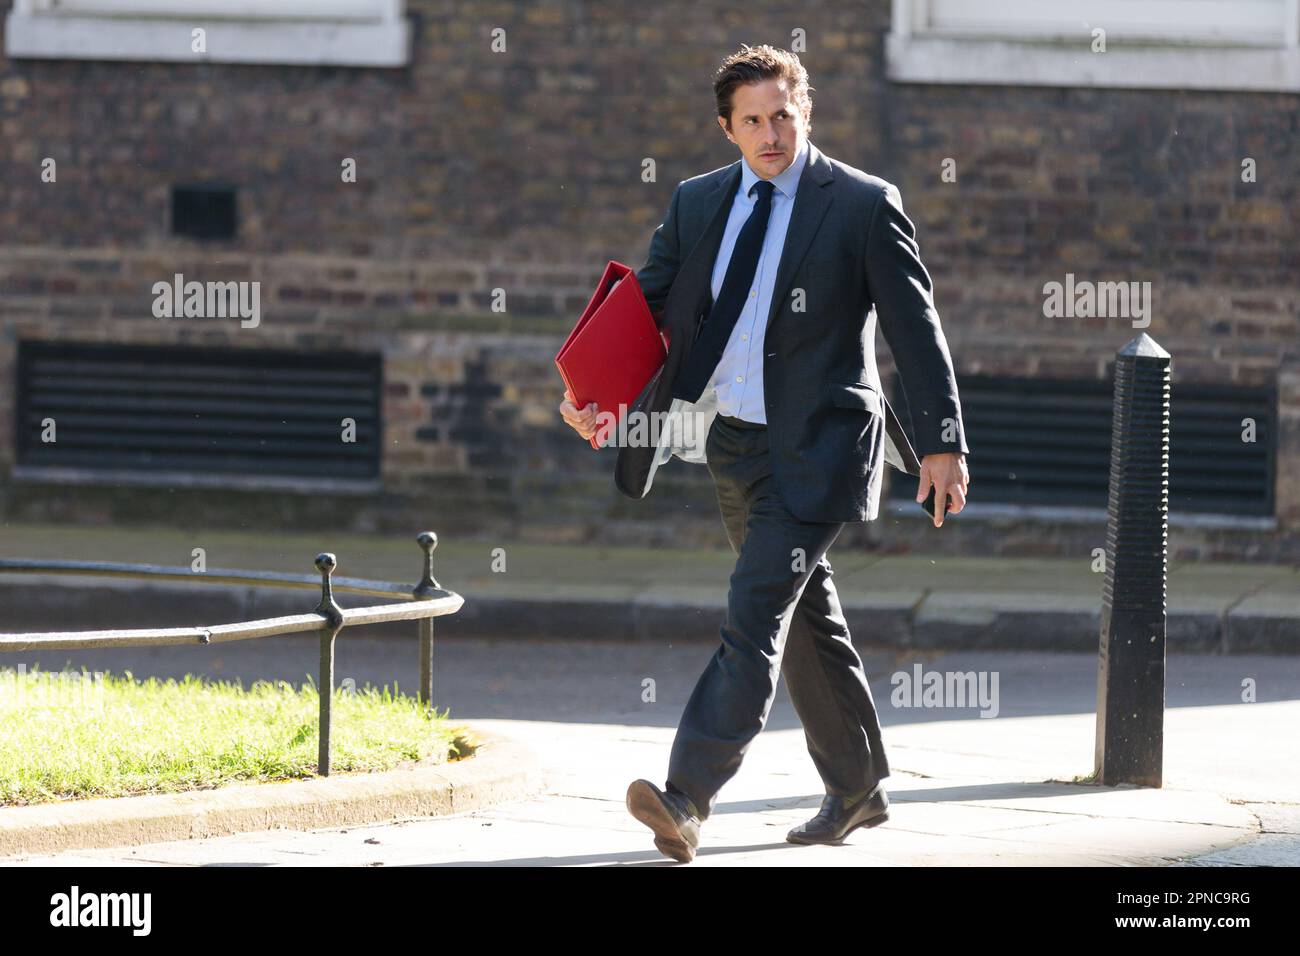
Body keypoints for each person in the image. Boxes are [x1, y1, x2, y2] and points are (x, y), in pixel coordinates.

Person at [559, 43, 970, 863]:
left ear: (804, 111)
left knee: (753, 619)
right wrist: (592, 395)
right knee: (804, 611)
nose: (771, 133)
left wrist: (942, 444)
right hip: (735, 445)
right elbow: (647, 303)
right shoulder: (700, 201)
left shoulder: (859, 204)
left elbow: (913, 329)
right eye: (753, 121)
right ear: (728, 128)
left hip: (822, 446)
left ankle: (687, 796)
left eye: (783, 115)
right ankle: (856, 788)